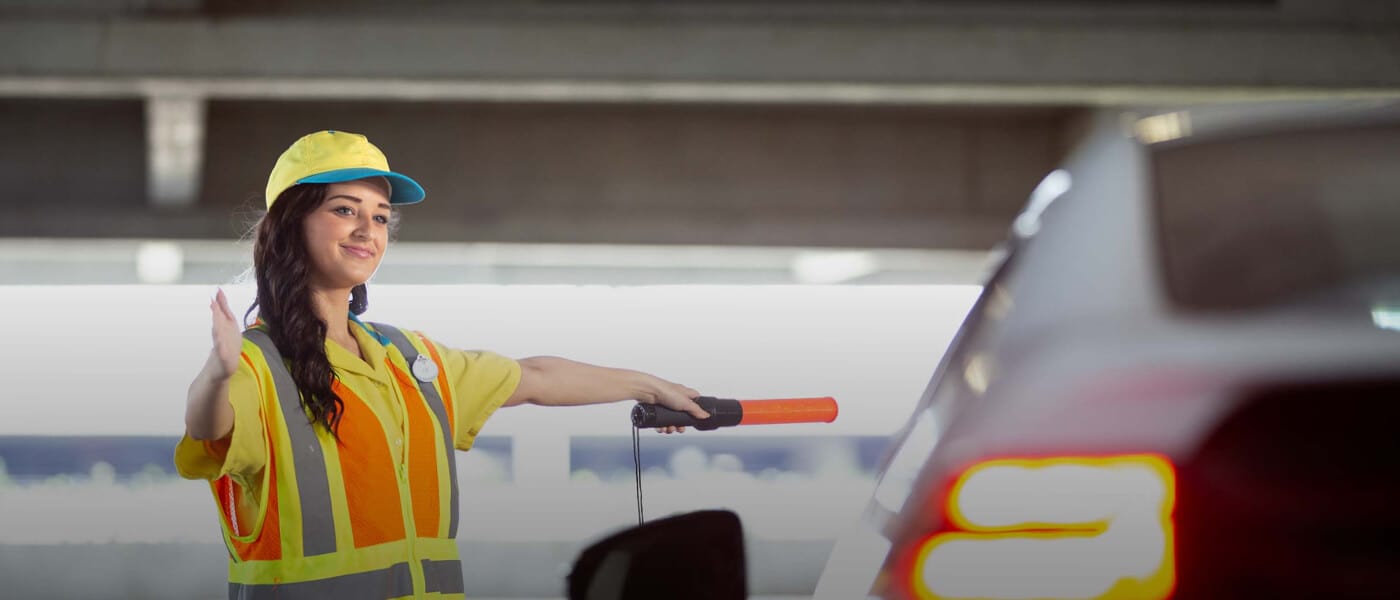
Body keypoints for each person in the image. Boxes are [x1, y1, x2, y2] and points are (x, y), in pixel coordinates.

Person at [175, 130, 709, 599]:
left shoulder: (413, 360)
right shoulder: (258, 363)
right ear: (290, 225)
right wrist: (218, 372)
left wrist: (650, 385)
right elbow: (209, 427)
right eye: (345, 209)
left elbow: (536, 378)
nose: (368, 229)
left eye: (380, 217)